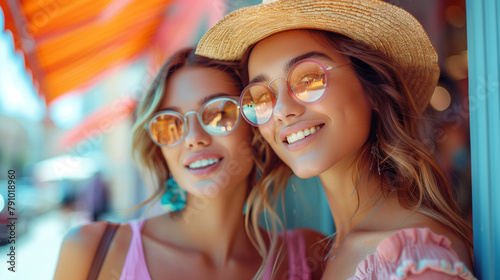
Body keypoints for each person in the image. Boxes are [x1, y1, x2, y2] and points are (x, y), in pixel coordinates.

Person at [196, 0, 476, 279]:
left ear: (371, 88)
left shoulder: (415, 263)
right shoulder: (323, 254)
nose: (281, 110)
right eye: (260, 97)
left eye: (309, 80)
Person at [54, 47, 325, 280]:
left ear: (255, 129)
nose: (194, 138)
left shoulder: (309, 255)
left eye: (219, 113)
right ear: (160, 149)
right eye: (170, 123)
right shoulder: (90, 251)